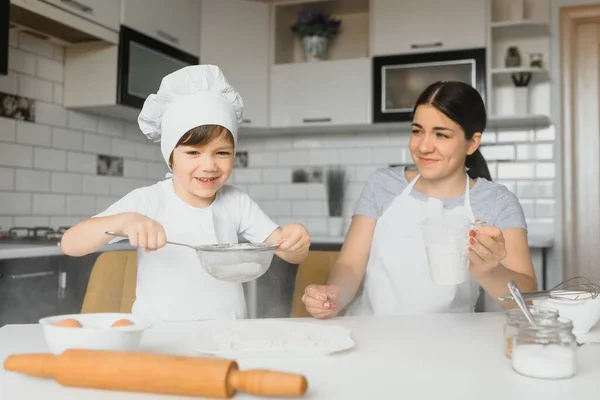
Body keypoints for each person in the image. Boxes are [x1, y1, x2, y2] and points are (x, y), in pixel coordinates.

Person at [61, 65, 311, 322]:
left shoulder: (236, 202)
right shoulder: (148, 200)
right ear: (170, 157)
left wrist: (296, 241)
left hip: (228, 336)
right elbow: (70, 244)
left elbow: (291, 253)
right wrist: (124, 221)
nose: (209, 165)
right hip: (160, 338)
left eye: (222, 153)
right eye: (193, 153)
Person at [302, 81, 537, 318]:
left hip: (448, 343)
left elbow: (525, 296)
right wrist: (333, 295)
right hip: (371, 333)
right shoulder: (382, 184)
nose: (424, 146)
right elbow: (350, 265)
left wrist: (489, 270)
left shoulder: (497, 201)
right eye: (417, 131)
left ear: (472, 143)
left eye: (441, 135)